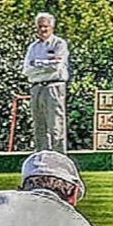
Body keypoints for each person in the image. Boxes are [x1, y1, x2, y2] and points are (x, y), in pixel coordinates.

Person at [22, 12, 69, 153]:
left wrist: (37, 63)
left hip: (54, 87)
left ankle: (59, 158)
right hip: (36, 87)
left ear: (52, 27)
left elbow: (55, 67)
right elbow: (27, 70)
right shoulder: (33, 47)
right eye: (39, 27)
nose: (42, 30)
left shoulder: (59, 44)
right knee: (39, 126)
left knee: (56, 125)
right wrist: (45, 64)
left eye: (45, 27)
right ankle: (42, 159)